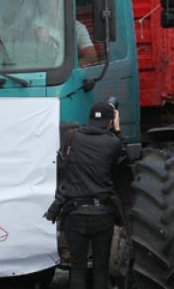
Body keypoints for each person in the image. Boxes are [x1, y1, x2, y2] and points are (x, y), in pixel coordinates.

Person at [45, 101, 128, 289]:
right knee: (101, 269)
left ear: (90, 118)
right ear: (110, 121)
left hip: (74, 215)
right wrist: (117, 129)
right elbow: (122, 156)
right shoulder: (112, 142)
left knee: (78, 269)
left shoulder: (71, 136)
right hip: (102, 215)